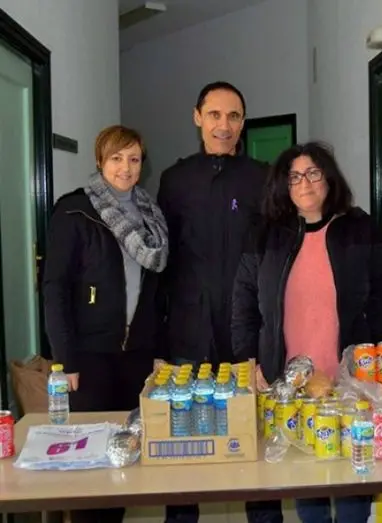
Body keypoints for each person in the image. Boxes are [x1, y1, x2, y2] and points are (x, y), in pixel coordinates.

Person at [231, 141, 382, 523]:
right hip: (290, 383)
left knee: (353, 478)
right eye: (294, 177)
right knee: (307, 479)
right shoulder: (265, 233)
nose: (304, 183)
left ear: (328, 177)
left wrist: (370, 353)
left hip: (349, 381)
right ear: (283, 185)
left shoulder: (359, 227)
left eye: (312, 173)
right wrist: (250, 359)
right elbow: (243, 302)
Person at [42, 125, 169, 523]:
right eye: (116, 158)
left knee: (124, 453)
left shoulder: (152, 216)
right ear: (100, 161)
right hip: (88, 357)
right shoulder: (75, 211)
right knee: (88, 463)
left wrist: (158, 350)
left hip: (136, 358)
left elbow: (158, 292)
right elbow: (54, 289)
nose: (125, 168)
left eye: (134, 159)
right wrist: (65, 360)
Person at [156, 81, 269, 523]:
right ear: (197, 117)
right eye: (215, 115)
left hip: (246, 329)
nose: (224, 125)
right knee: (183, 438)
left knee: (254, 432)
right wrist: (157, 342)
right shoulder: (175, 179)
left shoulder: (261, 177)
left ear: (243, 123)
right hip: (189, 328)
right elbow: (160, 262)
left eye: (234, 116)